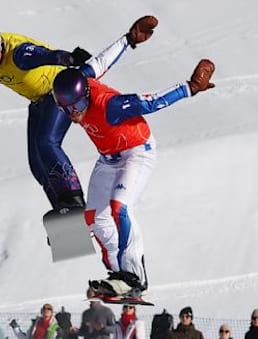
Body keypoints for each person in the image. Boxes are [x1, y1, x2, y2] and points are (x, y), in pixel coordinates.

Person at [0, 16, 160, 213]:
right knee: (37, 164)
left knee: (47, 143)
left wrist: (72, 58)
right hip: (37, 100)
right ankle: (63, 211)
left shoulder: (19, 54)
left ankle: (74, 199)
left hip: (56, 93)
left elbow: (50, 56)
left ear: (0, 43)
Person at [49, 25, 215, 296]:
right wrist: (128, 40)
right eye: (65, 110)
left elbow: (150, 102)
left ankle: (134, 275)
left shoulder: (110, 106)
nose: (74, 115)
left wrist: (190, 88)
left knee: (119, 207)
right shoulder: (77, 85)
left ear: (86, 97)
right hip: (109, 156)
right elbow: (101, 61)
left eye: (77, 108)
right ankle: (117, 273)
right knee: (94, 218)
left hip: (138, 150)